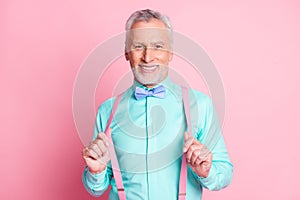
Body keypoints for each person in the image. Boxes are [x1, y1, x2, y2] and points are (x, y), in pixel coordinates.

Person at [82, 9, 233, 200]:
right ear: (127, 53)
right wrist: (96, 171)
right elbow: (96, 189)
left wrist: (207, 171)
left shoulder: (200, 105)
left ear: (170, 53)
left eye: (158, 46)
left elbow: (225, 173)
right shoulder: (107, 111)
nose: (147, 57)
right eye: (138, 46)